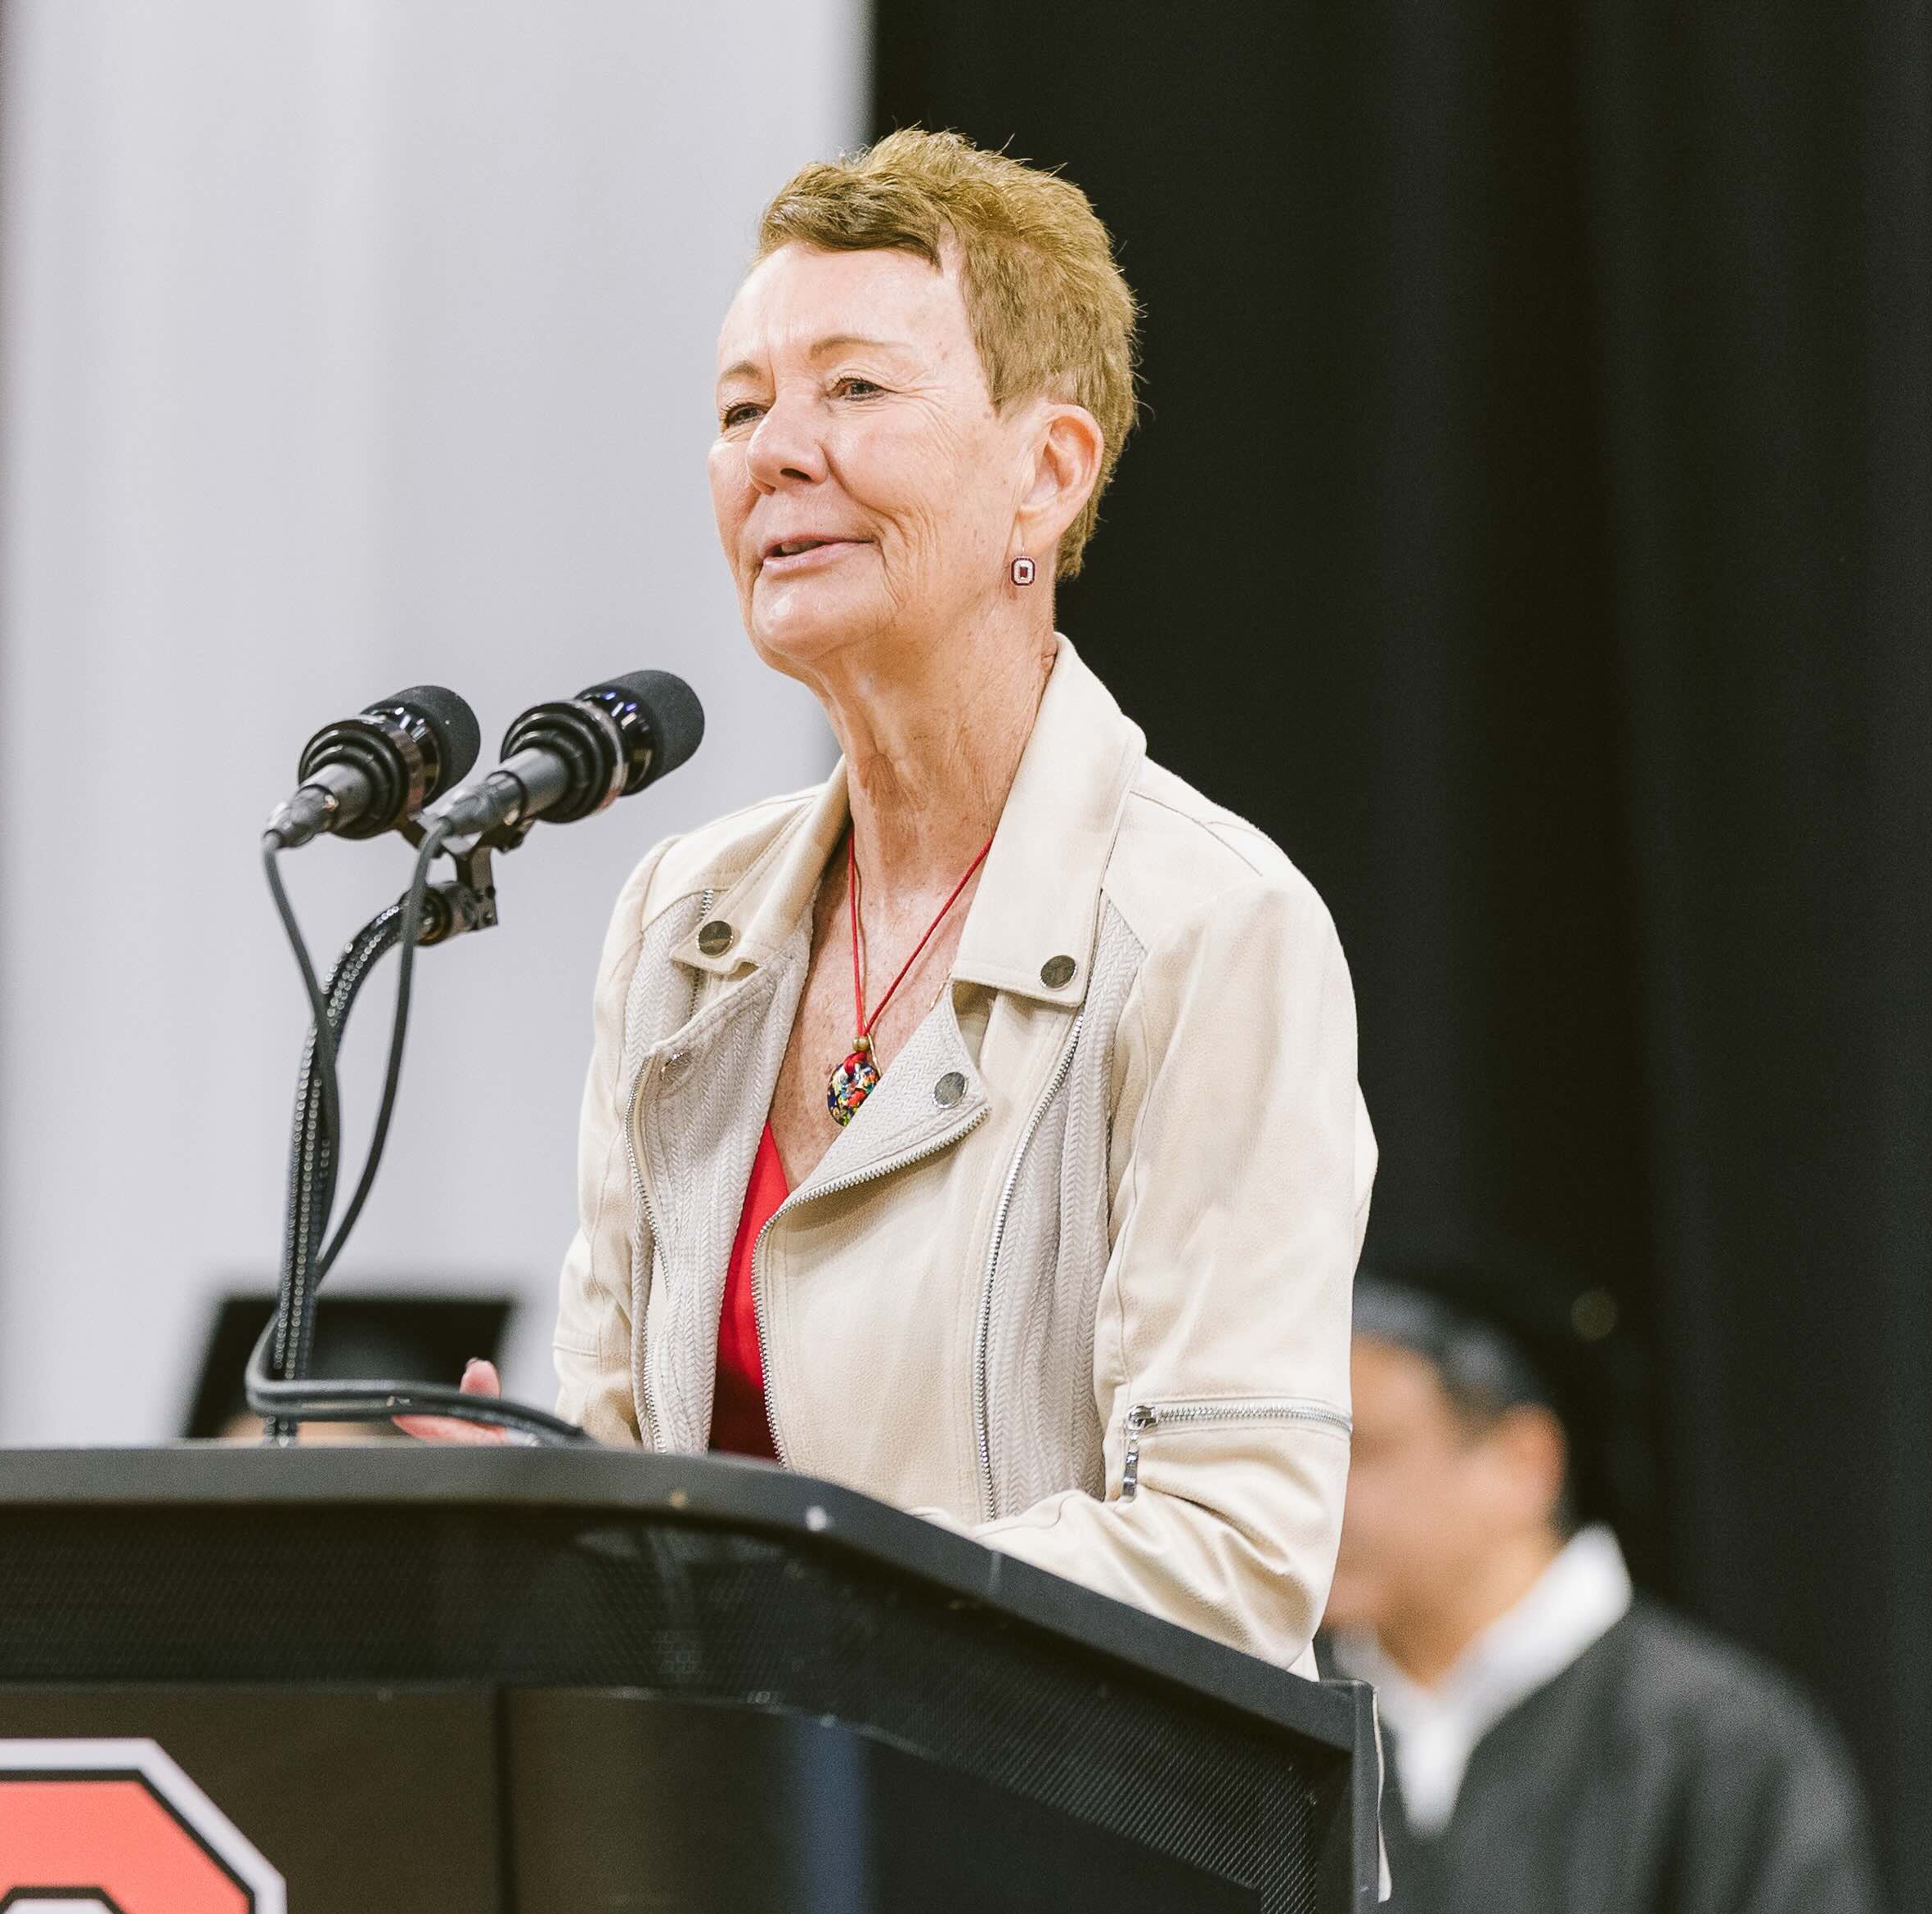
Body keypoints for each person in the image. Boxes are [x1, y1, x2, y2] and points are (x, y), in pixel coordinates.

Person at [405, 128, 1373, 1678]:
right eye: (738, 409)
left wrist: (765, 1603)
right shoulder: (681, 920)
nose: (775, 449)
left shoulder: (1208, 926)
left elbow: (1227, 1559)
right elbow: (618, 1454)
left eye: (852, 389)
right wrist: (515, 1513)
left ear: (1044, 473)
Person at [1323, 1267, 1888, 1914]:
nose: (1320, 1496)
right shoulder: (1293, 1718)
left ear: (1522, 1464)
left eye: (1364, 1451)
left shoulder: (1720, 1744)